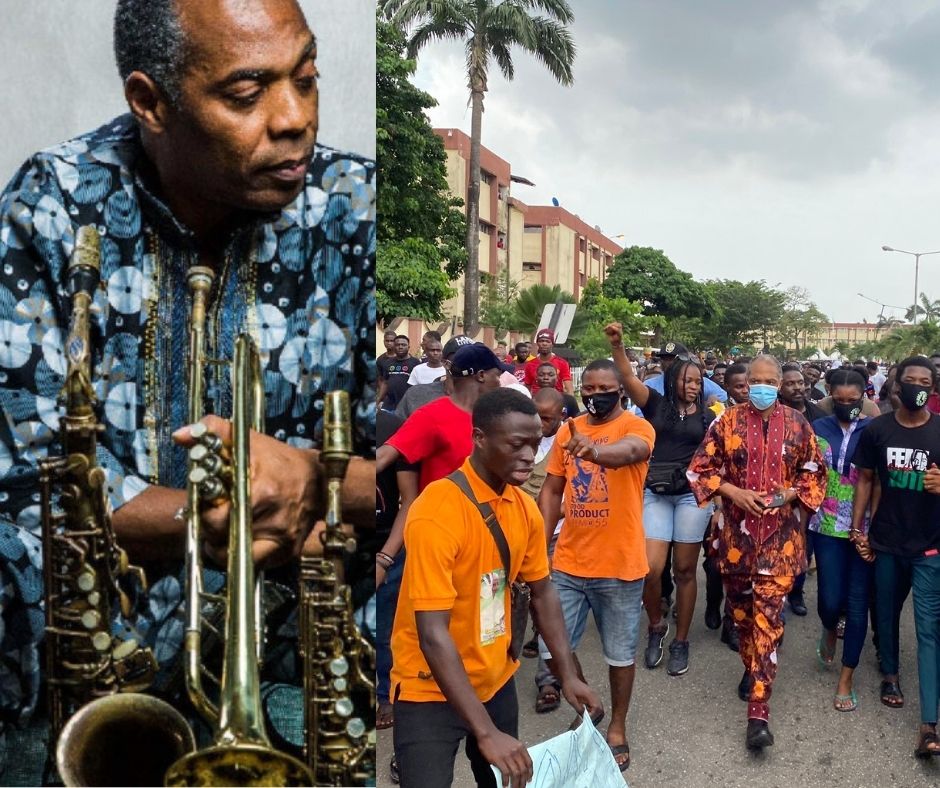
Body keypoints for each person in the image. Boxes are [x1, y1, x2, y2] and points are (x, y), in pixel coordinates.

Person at [0, 0, 376, 768]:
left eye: (307, 79)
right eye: (247, 94)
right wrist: (218, 516)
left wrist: (318, 478)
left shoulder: (355, 206)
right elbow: (21, 473)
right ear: (151, 101)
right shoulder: (52, 204)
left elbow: (414, 473)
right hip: (78, 697)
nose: (293, 117)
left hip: (296, 694)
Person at [391, 389, 602, 788]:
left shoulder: (524, 510)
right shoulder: (438, 511)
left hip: (495, 679)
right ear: (480, 438)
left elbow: (542, 592)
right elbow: (432, 633)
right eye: (516, 444)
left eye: (535, 444)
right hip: (429, 689)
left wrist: (567, 672)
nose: (528, 455)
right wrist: (485, 733)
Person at [687, 355, 826, 750]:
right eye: (755, 380)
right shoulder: (725, 423)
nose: (762, 387)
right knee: (743, 617)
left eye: (770, 380)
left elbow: (814, 472)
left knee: (768, 620)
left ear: (780, 382)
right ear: (746, 382)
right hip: (734, 541)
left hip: (780, 543)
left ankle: (758, 712)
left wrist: (786, 495)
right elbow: (700, 469)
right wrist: (732, 492)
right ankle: (753, 666)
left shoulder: (799, 425)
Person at [537, 358, 656, 771]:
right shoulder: (568, 433)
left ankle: (617, 727)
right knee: (553, 651)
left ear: (620, 390)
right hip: (568, 562)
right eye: (588, 389)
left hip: (620, 565)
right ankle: (589, 702)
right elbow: (552, 490)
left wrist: (596, 451)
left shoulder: (637, 427)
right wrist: (539, 542)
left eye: (604, 388)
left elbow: (631, 453)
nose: (595, 395)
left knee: (620, 655)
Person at [607, 323, 714, 676]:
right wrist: (618, 346)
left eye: (698, 381)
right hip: (655, 492)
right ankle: (656, 625)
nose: (693, 386)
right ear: (673, 380)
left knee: (685, 570)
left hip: (691, 498)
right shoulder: (655, 405)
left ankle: (681, 640)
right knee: (650, 569)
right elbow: (625, 376)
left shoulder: (708, 415)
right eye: (687, 380)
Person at [851, 355, 940, 757]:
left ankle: (928, 724)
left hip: (930, 546)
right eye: (911, 379)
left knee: (927, 629)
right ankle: (890, 672)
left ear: (932, 389)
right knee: (884, 611)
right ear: (896, 386)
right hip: (886, 540)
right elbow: (865, 481)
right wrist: (858, 529)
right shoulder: (877, 430)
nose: (918, 386)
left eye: (926, 380)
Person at [808, 369, 876, 713]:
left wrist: (873, 528)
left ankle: (846, 678)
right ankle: (829, 627)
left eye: (854, 400)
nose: (847, 406)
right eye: (840, 400)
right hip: (825, 525)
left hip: (864, 529)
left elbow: (879, 480)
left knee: (857, 601)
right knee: (830, 600)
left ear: (864, 395)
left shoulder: (874, 430)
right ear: (829, 395)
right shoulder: (817, 428)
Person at [520, 389, 566, 715]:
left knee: (546, 603)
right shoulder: (517, 437)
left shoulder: (568, 444)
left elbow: (572, 496)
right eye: (536, 415)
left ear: (561, 416)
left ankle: (548, 679)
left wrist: (548, 515)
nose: (540, 423)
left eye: (548, 418)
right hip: (512, 534)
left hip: (553, 536)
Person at [777, 363, 825, 617]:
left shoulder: (818, 416)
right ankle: (777, 596)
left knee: (804, 546)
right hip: (779, 490)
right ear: (780, 387)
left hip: (808, 492)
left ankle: (796, 593)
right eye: (791, 383)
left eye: (800, 383)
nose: (798, 387)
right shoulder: (773, 415)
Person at [645, 341, 727, 404]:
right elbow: (640, 414)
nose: (668, 363)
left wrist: (711, 400)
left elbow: (724, 397)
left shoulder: (699, 381)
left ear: (686, 360)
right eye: (665, 358)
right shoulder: (650, 385)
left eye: (673, 359)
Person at [523, 329, 573, 394]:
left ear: (552, 344)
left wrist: (571, 402)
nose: (544, 344)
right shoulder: (530, 364)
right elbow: (527, 388)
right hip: (537, 400)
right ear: (537, 343)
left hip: (557, 400)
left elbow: (568, 388)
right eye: (541, 341)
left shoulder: (562, 363)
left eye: (548, 341)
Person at [378, 335, 421, 411]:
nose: (400, 347)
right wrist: (379, 399)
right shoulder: (388, 363)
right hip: (389, 404)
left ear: (408, 347)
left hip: (408, 405)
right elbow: (385, 382)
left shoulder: (416, 363)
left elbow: (420, 385)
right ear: (394, 347)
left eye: (403, 345)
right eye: (397, 345)